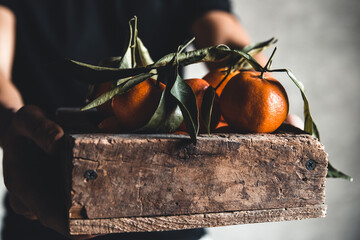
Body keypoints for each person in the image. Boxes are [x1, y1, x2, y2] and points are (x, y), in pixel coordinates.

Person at [0, 0, 280, 239]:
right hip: (45, 194)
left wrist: (254, 80)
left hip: (169, 209)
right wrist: (10, 121)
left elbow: (217, 24)